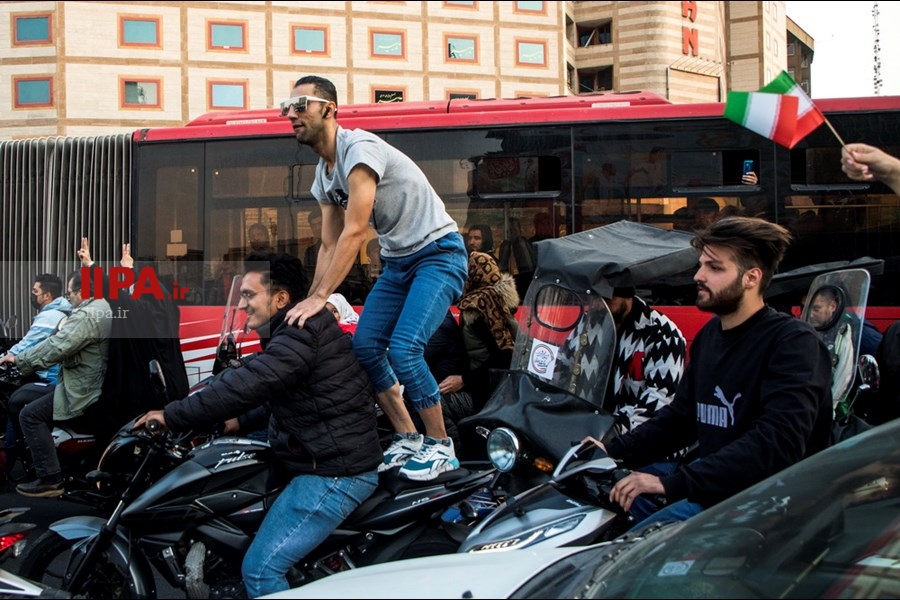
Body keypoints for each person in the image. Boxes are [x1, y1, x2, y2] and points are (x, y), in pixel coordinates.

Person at [134, 252, 381, 598]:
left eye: (249, 295)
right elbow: (282, 394)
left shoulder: (299, 332)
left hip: (335, 471)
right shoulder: (293, 330)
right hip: (317, 454)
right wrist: (238, 420)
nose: (242, 304)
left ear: (281, 299)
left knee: (261, 571)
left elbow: (250, 382)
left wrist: (172, 415)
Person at [584, 216, 832, 530]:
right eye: (701, 265)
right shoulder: (710, 337)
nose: (699, 276)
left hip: (774, 510)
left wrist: (673, 483)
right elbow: (682, 418)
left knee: (633, 550)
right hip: (718, 495)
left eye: (715, 268)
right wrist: (610, 450)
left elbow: (776, 444)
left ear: (751, 278)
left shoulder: (793, 344)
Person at [282, 75, 469, 481]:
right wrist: (315, 299)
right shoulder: (323, 174)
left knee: (404, 349)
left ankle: (440, 446)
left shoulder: (359, 148)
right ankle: (407, 435)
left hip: (439, 254)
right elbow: (329, 244)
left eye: (300, 106)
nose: (290, 114)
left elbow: (355, 231)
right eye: (286, 108)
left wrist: (322, 296)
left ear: (329, 109)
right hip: (400, 263)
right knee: (366, 347)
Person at [0, 269, 113, 497]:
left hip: (81, 389)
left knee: (29, 415)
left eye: (70, 293)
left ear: (82, 292)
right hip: (88, 382)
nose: (69, 298)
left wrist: (19, 360)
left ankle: (50, 478)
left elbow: (57, 346)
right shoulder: (104, 307)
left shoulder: (87, 314)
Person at [77, 238, 190, 445]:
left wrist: (90, 266)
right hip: (171, 384)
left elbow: (118, 298)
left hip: (147, 391)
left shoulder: (145, 309)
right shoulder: (164, 304)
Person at [1, 273, 72, 478]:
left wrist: (5, 357)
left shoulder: (49, 315)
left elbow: (27, 345)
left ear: (47, 295)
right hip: (58, 376)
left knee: (18, 404)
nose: (32, 296)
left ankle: (9, 460)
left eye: (35, 292)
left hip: (51, 378)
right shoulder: (64, 311)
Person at [603, 286, 686, 433]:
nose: (599, 305)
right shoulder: (589, 324)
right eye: (597, 299)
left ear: (627, 295)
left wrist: (614, 429)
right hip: (593, 431)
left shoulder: (663, 334)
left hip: (647, 440)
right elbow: (564, 369)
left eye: (607, 299)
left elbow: (662, 397)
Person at [456, 251, 519, 411]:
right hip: (499, 386)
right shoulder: (498, 299)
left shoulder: (481, 306)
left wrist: (465, 379)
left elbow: (504, 355)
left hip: (487, 388)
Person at [497, 217, 536, 301]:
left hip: (525, 282)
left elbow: (528, 268)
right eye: (509, 230)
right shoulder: (505, 245)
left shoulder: (522, 244)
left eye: (514, 230)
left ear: (519, 230)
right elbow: (502, 267)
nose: (512, 233)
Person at [303, 205, 324, 271]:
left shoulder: (340, 246)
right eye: (313, 225)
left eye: (320, 223)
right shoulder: (310, 251)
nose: (317, 228)